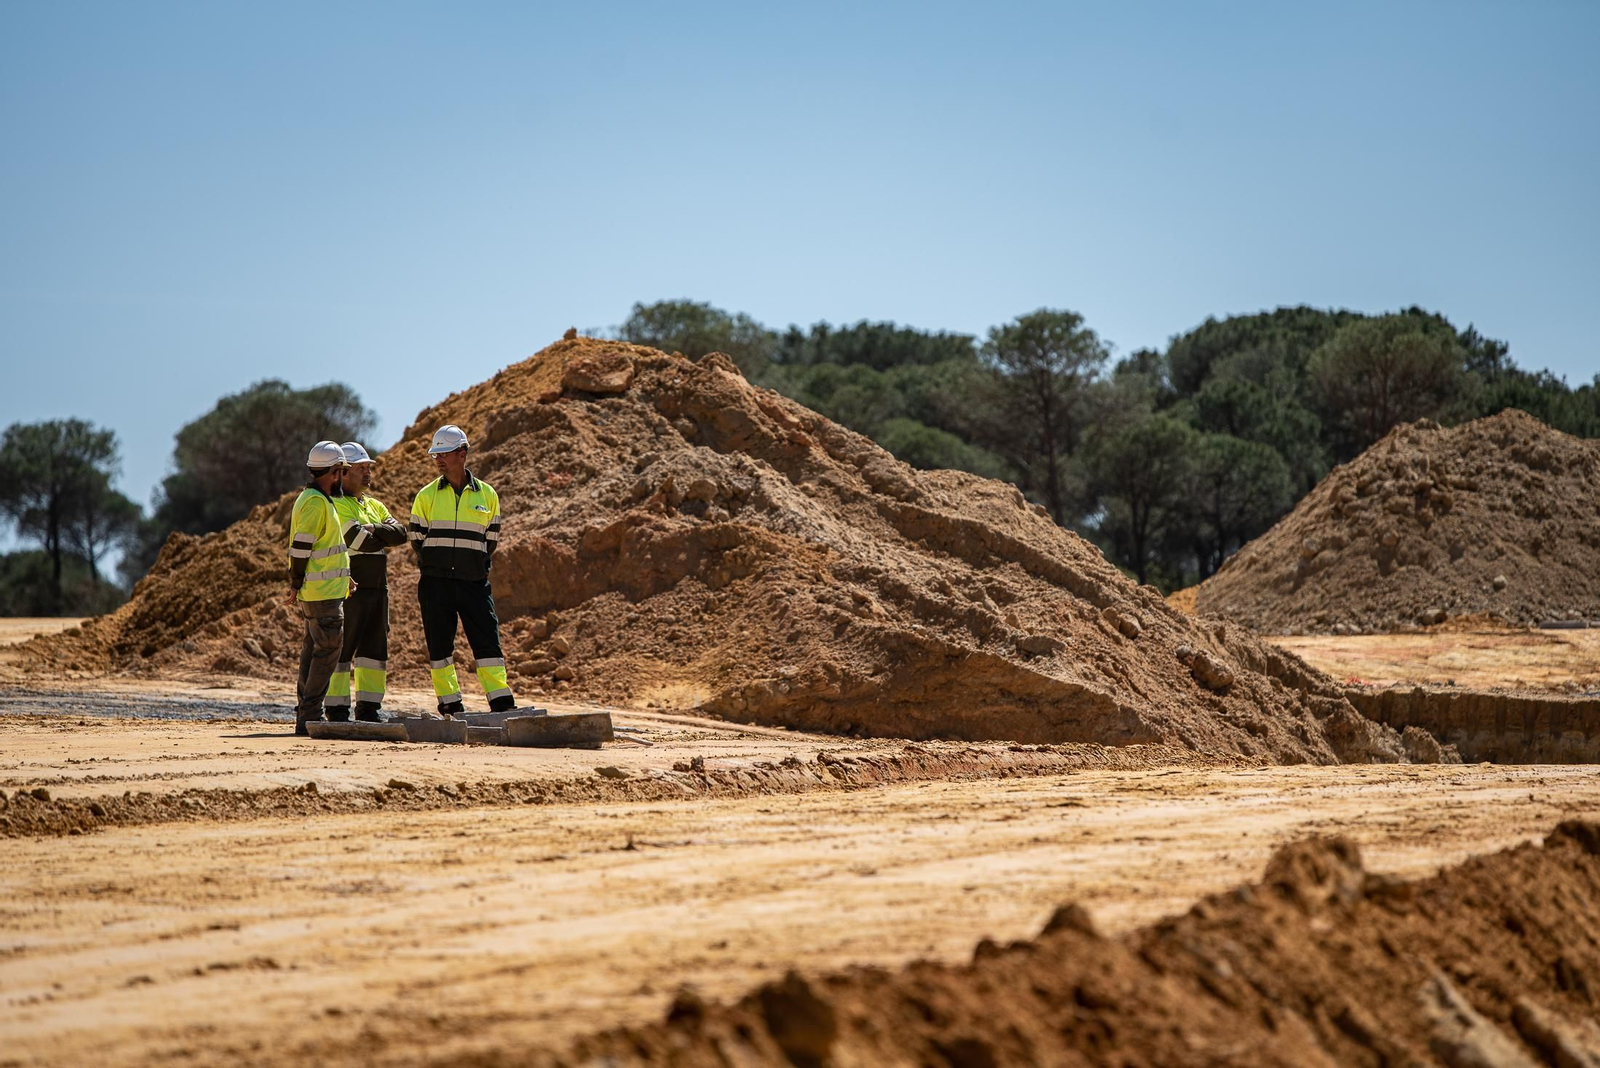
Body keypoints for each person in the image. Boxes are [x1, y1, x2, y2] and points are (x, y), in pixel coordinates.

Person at [409, 424, 517, 716]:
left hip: (473, 582)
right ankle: (450, 704)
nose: (439, 460)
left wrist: (472, 563)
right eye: (436, 455)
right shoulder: (426, 496)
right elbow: (416, 539)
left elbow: (491, 539)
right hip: (436, 583)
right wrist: (439, 562)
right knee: (440, 646)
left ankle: (501, 702)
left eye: (444, 453)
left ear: (462, 453)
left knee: (487, 640)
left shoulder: (488, 495)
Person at [326, 442, 407, 722]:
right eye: (361, 468)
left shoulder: (374, 505)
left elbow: (401, 534)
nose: (367, 473)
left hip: (378, 587)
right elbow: (360, 541)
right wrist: (378, 533)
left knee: (374, 649)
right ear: (344, 473)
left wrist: (374, 529)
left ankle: (369, 708)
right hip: (350, 586)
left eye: (368, 467)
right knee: (343, 647)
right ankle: (336, 709)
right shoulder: (336, 505)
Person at [287, 441, 351, 735]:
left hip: (321, 593)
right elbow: (301, 549)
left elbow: (327, 549)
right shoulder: (314, 502)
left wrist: (345, 577)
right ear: (334, 471)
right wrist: (294, 583)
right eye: (342, 471)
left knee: (313, 651)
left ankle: (306, 713)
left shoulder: (315, 500)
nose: (343, 478)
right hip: (321, 596)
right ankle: (310, 714)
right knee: (326, 654)